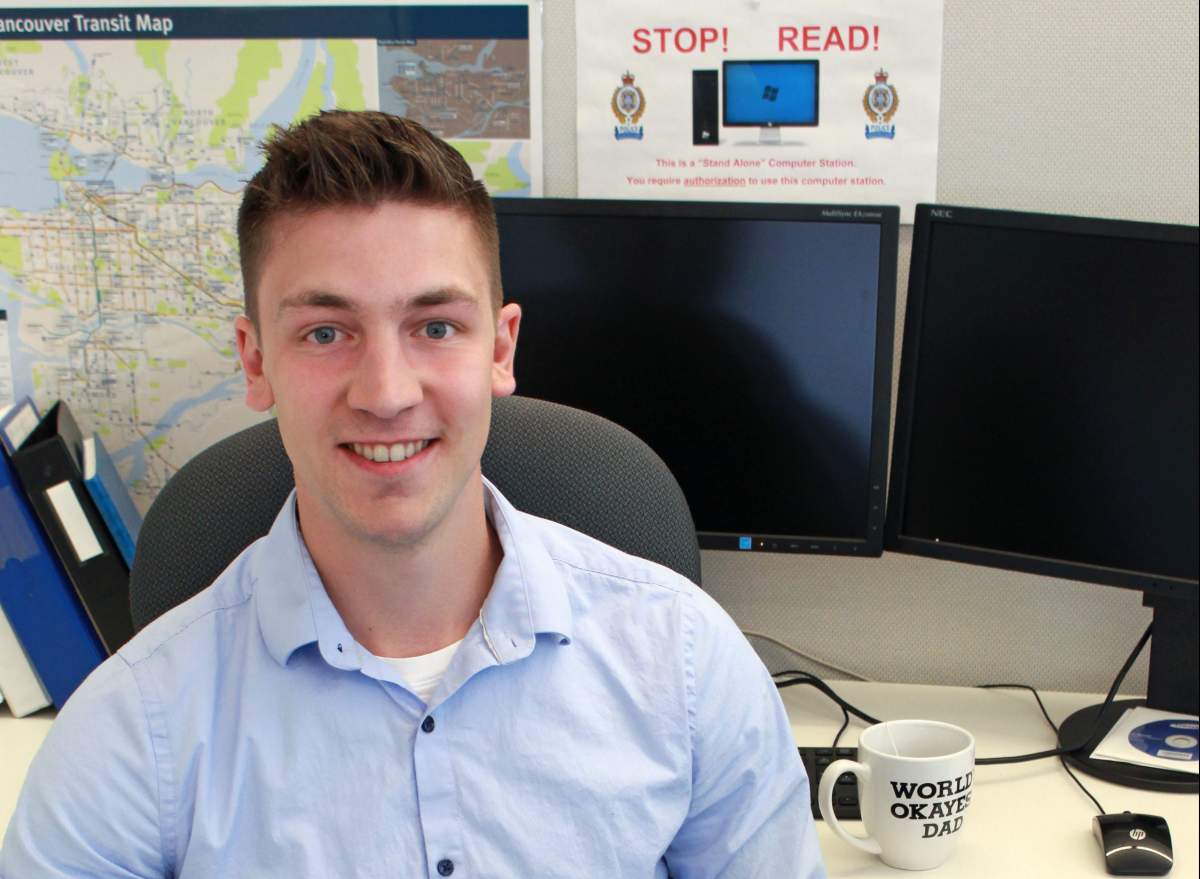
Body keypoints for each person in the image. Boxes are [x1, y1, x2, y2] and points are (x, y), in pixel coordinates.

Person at [0, 111, 825, 878]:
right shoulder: (131, 731)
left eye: (435, 326)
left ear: (499, 350)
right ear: (256, 362)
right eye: (327, 332)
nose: (387, 392)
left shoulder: (684, 662)